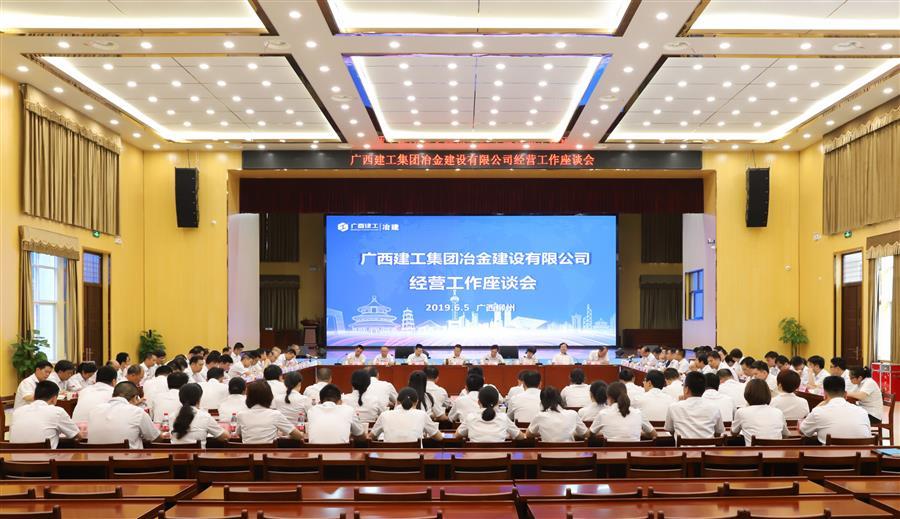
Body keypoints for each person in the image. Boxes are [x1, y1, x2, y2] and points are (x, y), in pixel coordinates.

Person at [799, 375, 871, 444]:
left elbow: (803, 430)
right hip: (862, 452)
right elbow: (868, 434)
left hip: (830, 452)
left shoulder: (818, 412)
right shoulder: (862, 411)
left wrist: (819, 405)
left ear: (825, 394)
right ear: (845, 394)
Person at [87, 381, 161, 449]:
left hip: (94, 458)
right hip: (126, 458)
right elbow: (155, 438)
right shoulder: (137, 412)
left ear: (113, 395)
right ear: (135, 398)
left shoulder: (94, 410)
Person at [10, 380, 80, 448]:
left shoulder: (17, 411)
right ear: (54, 398)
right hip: (45, 455)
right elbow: (77, 436)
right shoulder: (57, 411)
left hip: (13, 455)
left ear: (35, 396)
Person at [236, 380, 304, 444]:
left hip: (247, 452)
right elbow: (299, 436)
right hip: (269, 452)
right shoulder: (275, 415)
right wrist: (282, 438)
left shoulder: (241, 415)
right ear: (269, 396)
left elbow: (239, 434)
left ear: (248, 397)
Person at [664, 371, 725, 441]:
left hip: (683, 448)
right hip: (708, 447)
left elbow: (670, 430)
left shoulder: (674, 407)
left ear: (686, 389)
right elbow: (718, 432)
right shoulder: (714, 408)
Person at [371, 387, 442, 443]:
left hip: (388, 457)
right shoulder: (422, 415)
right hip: (415, 457)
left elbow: (371, 437)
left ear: (397, 401)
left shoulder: (384, 415)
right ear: (417, 402)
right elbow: (439, 437)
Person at [730, 379, 789, 446]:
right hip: (776, 451)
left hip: (753, 452)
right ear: (768, 394)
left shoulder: (741, 412)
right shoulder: (778, 412)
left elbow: (734, 433)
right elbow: (786, 434)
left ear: (747, 394)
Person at [590, 381, 655, 441]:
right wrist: (641, 434)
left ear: (609, 397)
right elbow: (654, 435)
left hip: (611, 450)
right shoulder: (638, 413)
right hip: (634, 450)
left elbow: (590, 435)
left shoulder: (603, 414)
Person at [455, 386, 523, 442]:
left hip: (475, 455)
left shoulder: (471, 417)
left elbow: (457, 435)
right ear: (497, 403)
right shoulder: (503, 418)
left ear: (478, 402)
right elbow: (521, 436)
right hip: (500, 455)